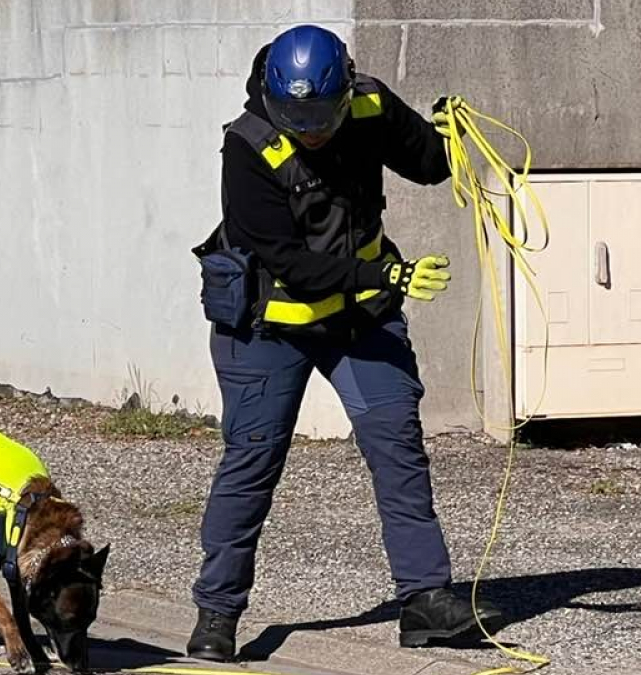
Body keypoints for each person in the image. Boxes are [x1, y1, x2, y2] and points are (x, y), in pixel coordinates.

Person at [187, 24, 505, 661]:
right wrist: (383, 273)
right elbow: (286, 260)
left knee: (397, 445)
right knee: (252, 464)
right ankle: (217, 613)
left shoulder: (369, 104)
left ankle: (425, 601)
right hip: (268, 327)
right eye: (294, 118)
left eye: (319, 117)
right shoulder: (247, 147)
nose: (309, 131)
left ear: (345, 88)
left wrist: (451, 134)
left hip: (359, 320)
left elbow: (429, 166)